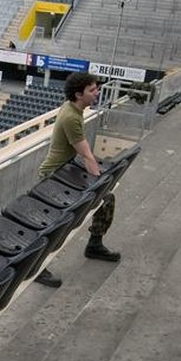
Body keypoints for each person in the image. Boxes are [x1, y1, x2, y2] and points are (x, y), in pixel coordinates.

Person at [31, 72, 117, 289]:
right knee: (51, 225)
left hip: (66, 172)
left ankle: (94, 244)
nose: (97, 92)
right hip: (52, 176)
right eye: (92, 90)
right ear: (79, 94)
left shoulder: (74, 109)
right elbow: (86, 154)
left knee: (107, 199)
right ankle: (37, 268)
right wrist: (100, 181)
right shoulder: (71, 117)